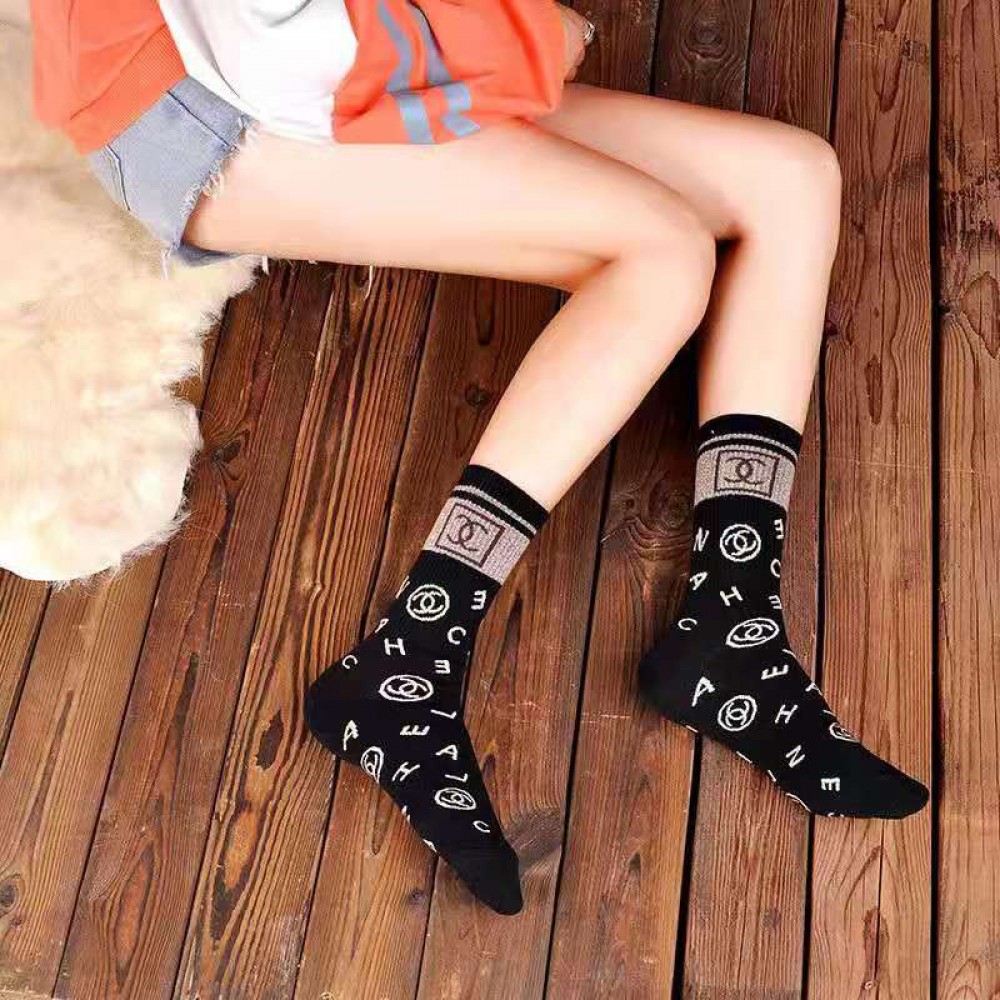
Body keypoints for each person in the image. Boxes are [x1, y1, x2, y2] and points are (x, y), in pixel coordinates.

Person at [33, 0, 928, 916]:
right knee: (662, 254)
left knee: (791, 181)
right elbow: (292, 56)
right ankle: (409, 662)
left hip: (337, 52)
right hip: (201, 93)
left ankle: (732, 626)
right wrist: (510, 38)